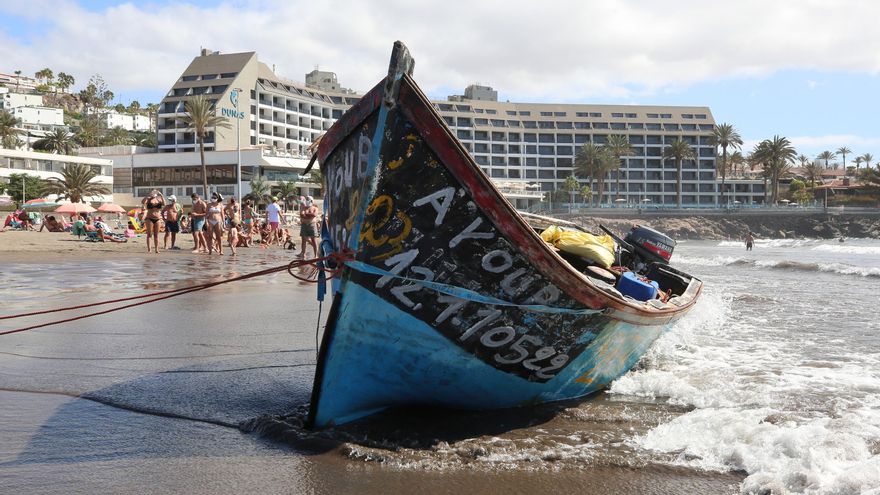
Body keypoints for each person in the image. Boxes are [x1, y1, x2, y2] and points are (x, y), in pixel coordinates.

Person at [141, 190, 165, 254]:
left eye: (155, 193)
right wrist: (148, 195)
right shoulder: (148, 199)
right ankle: (149, 249)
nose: (154, 194)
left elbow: (164, 204)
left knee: (156, 235)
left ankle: (157, 249)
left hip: (157, 218)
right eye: (153, 193)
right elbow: (142, 202)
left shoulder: (159, 199)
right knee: (149, 234)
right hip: (149, 218)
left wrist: (161, 195)